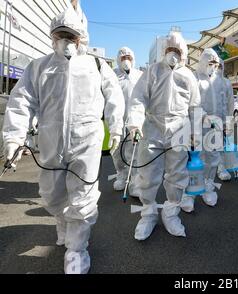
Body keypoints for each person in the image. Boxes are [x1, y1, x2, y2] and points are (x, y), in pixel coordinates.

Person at [2, 8, 125, 274]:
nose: (67, 41)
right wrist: (13, 137)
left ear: (82, 38)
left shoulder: (97, 65)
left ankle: (77, 251)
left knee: (82, 197)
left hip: (86, 143)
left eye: (73, 36)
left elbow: (115, 98)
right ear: (52, 36)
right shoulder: (39, 67)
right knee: (52, 194)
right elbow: (21, 102)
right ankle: (62, 223)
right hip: (50, 142)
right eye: (61, 35)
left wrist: (116, 129)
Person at [127, 31, 201, 240]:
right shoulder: (152, 71)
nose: (173, 54)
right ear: (163, 51)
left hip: (179, 130)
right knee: (148, 174)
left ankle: (171, 213)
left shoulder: (188, 76)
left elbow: (195, 107)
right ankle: (148, 214)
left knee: (177, 174)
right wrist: (135, 121)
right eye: (169, 49)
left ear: (183, 53)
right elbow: (138, 98)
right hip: (152, 127)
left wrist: (195, 132)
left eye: (177, 50)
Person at [180, 48, 223, 213]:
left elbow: (224, 103)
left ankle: (208, 186)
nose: (213, 66)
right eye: (210, 62)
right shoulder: (194, 78)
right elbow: (190, 104)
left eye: (215, 63)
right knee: (191, 160)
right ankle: (189, 192)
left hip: (215, 126)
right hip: (195, 127)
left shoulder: (218, 81)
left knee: (213, 158)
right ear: (203, 62)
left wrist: (224, 121)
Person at [111, 47, 143, 194]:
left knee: (135, 152)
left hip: (136, 121)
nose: (126, 61)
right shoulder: (112, 75)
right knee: (117, 151)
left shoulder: (140, 76)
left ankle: (135, 183)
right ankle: (121, 175)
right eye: (123, 58)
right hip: (117, 120)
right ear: (118, 60)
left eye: (128, 58)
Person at [216, 59, 236, 181]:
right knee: (203, 147)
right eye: (213, 65)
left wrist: (228, 122)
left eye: (219, 66)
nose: (217, 68)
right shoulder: (202, 81)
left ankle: (221, 168)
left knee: (221, 146)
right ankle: (204, 170)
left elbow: (230, 103)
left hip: (222, 121)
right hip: (204, 120)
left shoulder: (226, 83)